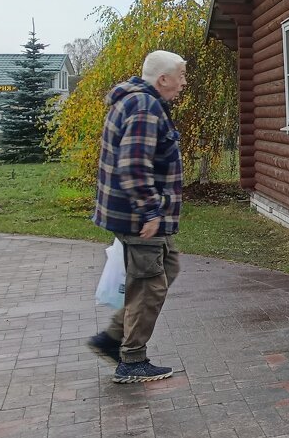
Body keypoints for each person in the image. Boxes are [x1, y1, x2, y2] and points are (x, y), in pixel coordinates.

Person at [86, 50, 186, 383]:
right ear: (163, 79)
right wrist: (151, 211)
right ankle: (131, 360)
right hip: (138, 217)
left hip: (132, 213)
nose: (184, 83)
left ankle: (114, 337)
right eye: (181, 76)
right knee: (149, 284)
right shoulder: (145, 107)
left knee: (167, 265)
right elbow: (133, 165)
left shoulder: (139, 101)